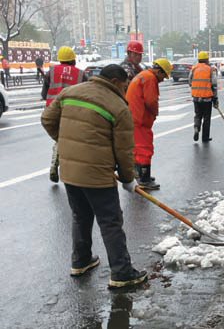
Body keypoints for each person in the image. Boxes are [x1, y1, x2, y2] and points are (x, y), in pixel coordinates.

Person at [41, 64, 147, 289]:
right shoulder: (118, 107)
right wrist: (128, 179)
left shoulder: (70, 93)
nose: (125, 90)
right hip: (97, 174)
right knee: (110, 222)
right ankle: (122, 272)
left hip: (70, 171)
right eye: (125, 85)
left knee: (80, 215)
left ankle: (80, 261)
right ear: (116, 82)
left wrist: (67, 144)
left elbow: (47, 120)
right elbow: (124, 151)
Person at [41, 46, 87, 183]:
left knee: (60, 137)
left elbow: (44, 94)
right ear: (73, 60)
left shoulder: (51, 72)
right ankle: (70, 166)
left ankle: (57, 156)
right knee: (72, 138)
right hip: (72, 110)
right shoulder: (81, 74)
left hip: (52, 110)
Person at [126, 58, 171, 189]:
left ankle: (139, 174)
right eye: (163, 76)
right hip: (139, 119)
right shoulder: (150, 78)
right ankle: (144, 179)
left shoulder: (142, 75)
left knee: (136, 147)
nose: (163, 79)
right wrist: (155, 113)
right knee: (145, 148)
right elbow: (151, 101)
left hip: (133, 117)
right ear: (158, 71)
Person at [189, 51, 219, 142]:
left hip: (196, 97)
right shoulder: (210, 69)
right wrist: (215, 99)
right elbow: (214, 85)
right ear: (207, 60)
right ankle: (205, 137)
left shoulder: (194, 69)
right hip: (207, 98)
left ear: (198, 60)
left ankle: (196, 127)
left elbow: (190, 82)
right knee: (206, 118)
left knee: (198, 115)